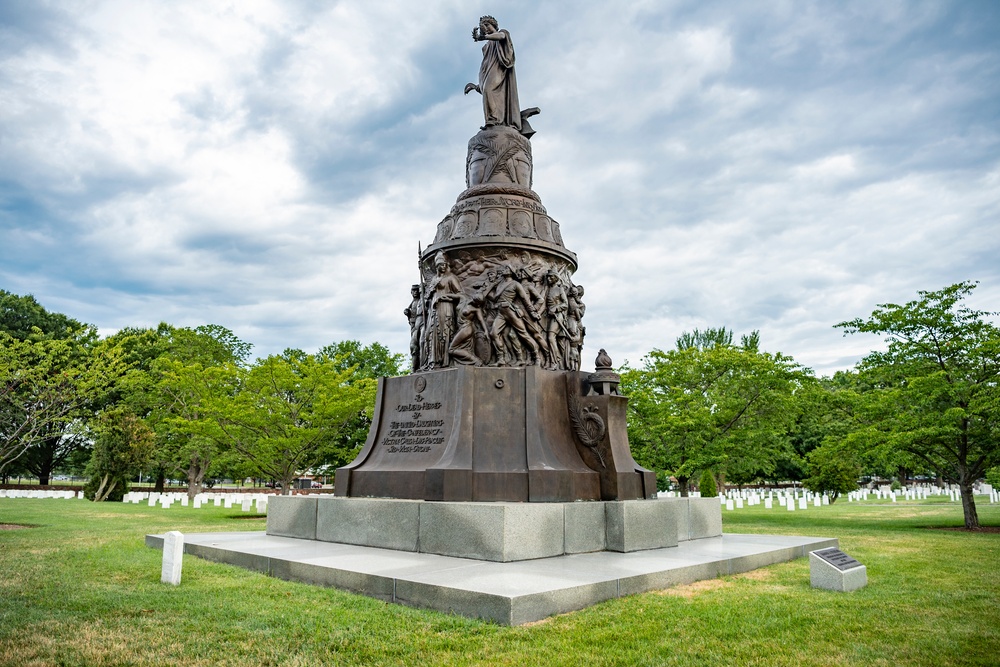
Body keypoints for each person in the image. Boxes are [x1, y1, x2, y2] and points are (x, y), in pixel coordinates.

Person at [464, 16, 520, 131]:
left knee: (488, 90)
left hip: (499, 69)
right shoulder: (486, 47)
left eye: (488, 26)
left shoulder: (502, 33)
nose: (486, 29)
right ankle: (491, 121)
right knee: (487, 91)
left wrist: (483, 37)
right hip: (486, 72)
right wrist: (476, 86)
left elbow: (501, 37)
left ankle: (494, 120)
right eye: (484, 28)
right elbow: (486, 64)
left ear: (493, 25)